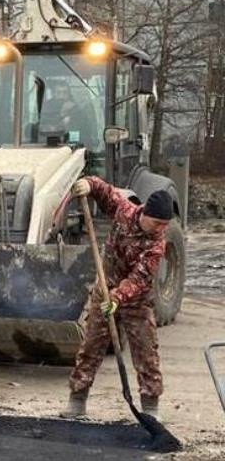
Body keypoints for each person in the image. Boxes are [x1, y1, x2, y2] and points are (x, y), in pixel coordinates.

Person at [63, 176, 174, 419]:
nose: (160, 229)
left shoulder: (156, 244)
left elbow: (139, 278)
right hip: (105, 288)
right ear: (145, 213)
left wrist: (117, 298)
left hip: (136, 299)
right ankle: (77, 401)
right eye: (157, 222)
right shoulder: (124, 211)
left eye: (164, 225)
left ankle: (150, 410)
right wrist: (89, 185)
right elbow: (105, 191)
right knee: (91, 347)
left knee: (146, 353)